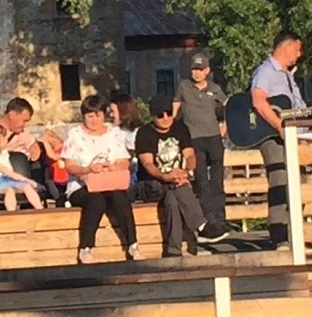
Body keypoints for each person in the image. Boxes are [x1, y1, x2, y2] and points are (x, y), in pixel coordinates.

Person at [136, 96, 227, 257]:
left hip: (176, 182)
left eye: (169, 113)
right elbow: (148, 164)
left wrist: (186, 172)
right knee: (176, 187)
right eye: (160, 115)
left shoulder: (180, 128)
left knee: (172, 198)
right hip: (151, 184)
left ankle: (173, 250)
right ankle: (201, 226)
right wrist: (165, 176)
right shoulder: (144, 133)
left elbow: (190, 156)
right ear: (152, 116)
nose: (165, 118)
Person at [62, 95, 144, 264]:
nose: (94, 120)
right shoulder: (74, 134)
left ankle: (133, 244)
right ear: (83, 116)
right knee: (96, 200)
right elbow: (70, 166)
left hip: (110, 183)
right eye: (90, 116)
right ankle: (86, 247)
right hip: (81, 185)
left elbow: (124, 160)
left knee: (120, 198)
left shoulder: (113, 133)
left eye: (98, 115)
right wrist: (87, 170)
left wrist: (114, 167)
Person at [250, 30, 306, 250]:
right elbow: (258, 100)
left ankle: (294, 235)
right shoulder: (267, 71)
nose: (299, 54)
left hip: (292, 136)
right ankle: (279, 236)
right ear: (286, 47)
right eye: (297, 49)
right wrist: (279, 126)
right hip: (273, 136)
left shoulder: (287, 75)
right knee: (280, 181)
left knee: (298, 182)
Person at [172, 53, 229, 239]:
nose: (196, 73)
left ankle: (221, 219)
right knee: (202, 180)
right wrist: (173, 127)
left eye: (200, 69)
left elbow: (229, 106)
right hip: (194, 138)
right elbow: (176, 106)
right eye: (194, 69)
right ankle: (209, 220)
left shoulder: (214, 88)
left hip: (213, 137)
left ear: (207, 71)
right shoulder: (184, 86)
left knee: (217, 180)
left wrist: (226, 126)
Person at [0, 123, 43, 211]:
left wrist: (27, 183)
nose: (7, 139)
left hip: (8, 179)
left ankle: (40, 209)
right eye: (5, 138)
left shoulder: (4, 152)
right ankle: (12, 213)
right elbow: (8, 172)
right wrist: (28, 180)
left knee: (27, 187)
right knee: (9, 190)